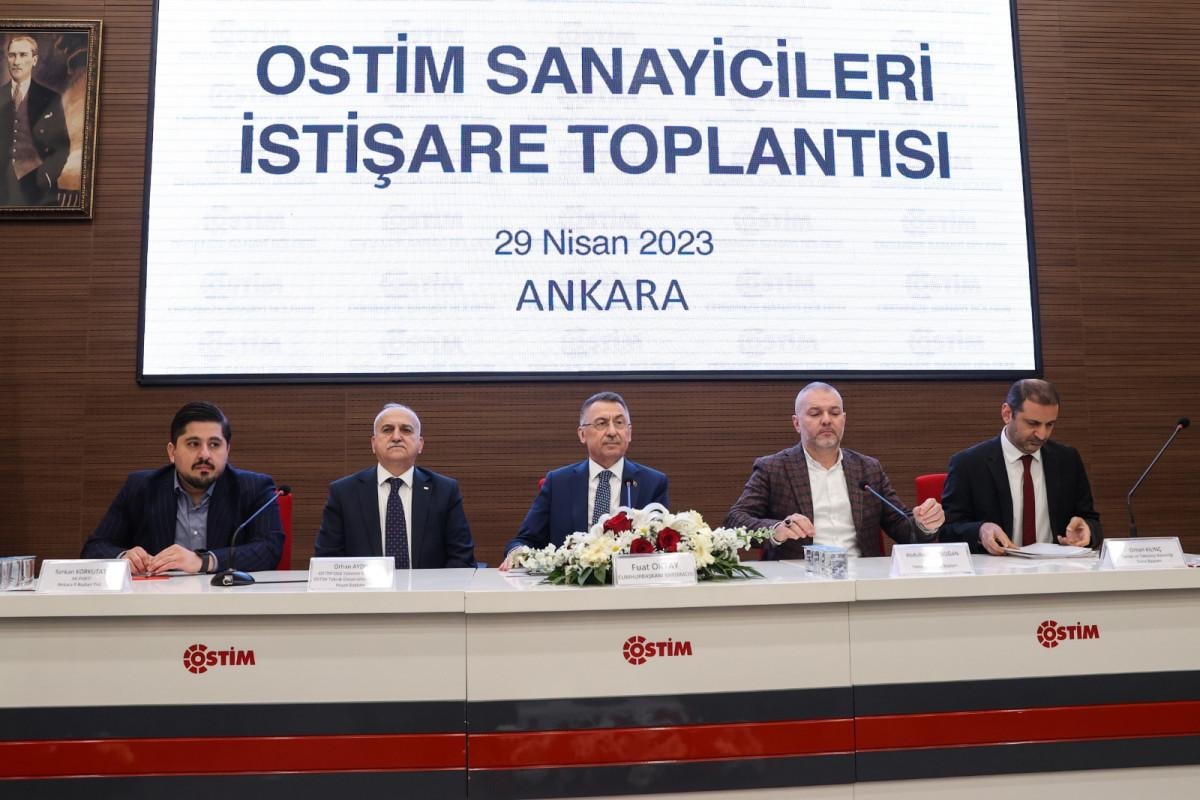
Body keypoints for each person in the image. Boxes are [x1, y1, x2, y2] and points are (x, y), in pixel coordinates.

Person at [725, 382, 944, 558]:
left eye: (835, 413)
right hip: (798, 577)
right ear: (796, 423)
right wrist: (777, 529)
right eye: (815, 413)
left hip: (862, 577)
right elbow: (734, 521)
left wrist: (924, 524)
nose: (827, 420)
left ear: (844, 420)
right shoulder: (774, 468)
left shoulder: (868, 469)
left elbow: (902, 527)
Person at [82, 402, 283, 575]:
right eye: (193, 444)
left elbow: (270, 549)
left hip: (228, 602)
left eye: (214, 444)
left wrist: (203, 561)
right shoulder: (141, 487)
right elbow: (95, 548)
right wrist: (124, 557)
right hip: (157, 601)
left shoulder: (254, 488)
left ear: (227, 450)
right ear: (172, 452)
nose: (205, 454)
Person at [501, 391, 669, 567]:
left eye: (619, 423)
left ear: (629, 433)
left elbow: (662, 547)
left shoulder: (653, 483)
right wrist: (517, 552)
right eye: (602, 423)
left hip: (629, 580)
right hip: (571, 581)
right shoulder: (558, 482)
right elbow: (525, 540)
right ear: (582, 434)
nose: (612, 432)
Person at [941, 379, 1102, 555]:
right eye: (1033, 423)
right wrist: (980, 530)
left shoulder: (1067, 460)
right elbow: (948, 531)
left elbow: (1091, 520)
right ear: (1007, 414)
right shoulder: (968, 463)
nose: (1042, 435)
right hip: (996, 567)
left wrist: (1087, 530)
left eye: (1049, 424)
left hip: (1056, 566)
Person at [315, 403, 476, 568]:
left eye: (406, 430)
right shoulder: (344, 493)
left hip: (429, 585)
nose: (396, 437)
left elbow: (462, 558)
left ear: (420, 444)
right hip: (365, 585)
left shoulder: (445, 491)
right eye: (387, 430)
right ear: (373, 443)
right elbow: (327, 561)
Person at [2, 34, 70, 206]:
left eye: (23, 55)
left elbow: (62, 146)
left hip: (39, 188)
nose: (16, 61)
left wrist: (45, 177)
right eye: (12, 55)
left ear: (34, 60)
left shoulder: (51, 98)